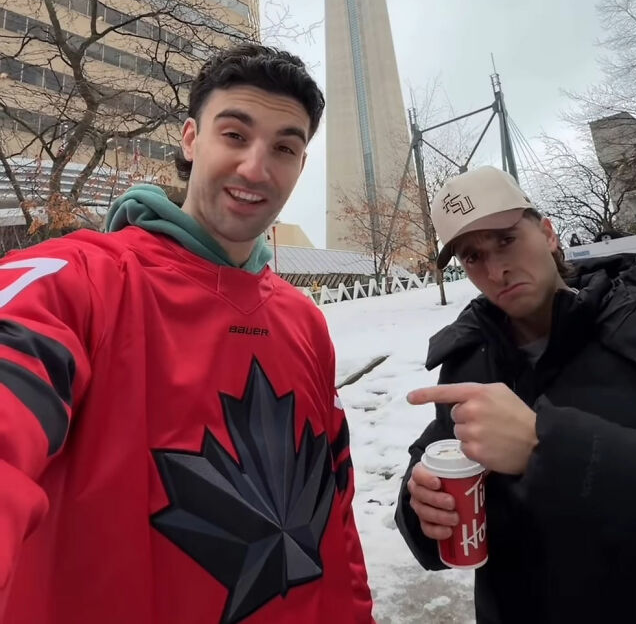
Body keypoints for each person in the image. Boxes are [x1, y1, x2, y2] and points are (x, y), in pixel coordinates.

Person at [0, 43, 374, 624]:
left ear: (301, 166)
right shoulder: (81, 279)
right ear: (191, 139)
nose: (256, 168)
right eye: (234, 135)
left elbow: (336, 509)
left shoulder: (304, 321)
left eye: (284, 148)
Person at [395, 165, 636, 624]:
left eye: (506, 240)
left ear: (548, 233)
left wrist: (550, 448)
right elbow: (438, 462)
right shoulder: (470, 361)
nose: (496, 270)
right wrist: (422, 508)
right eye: (473, 257)